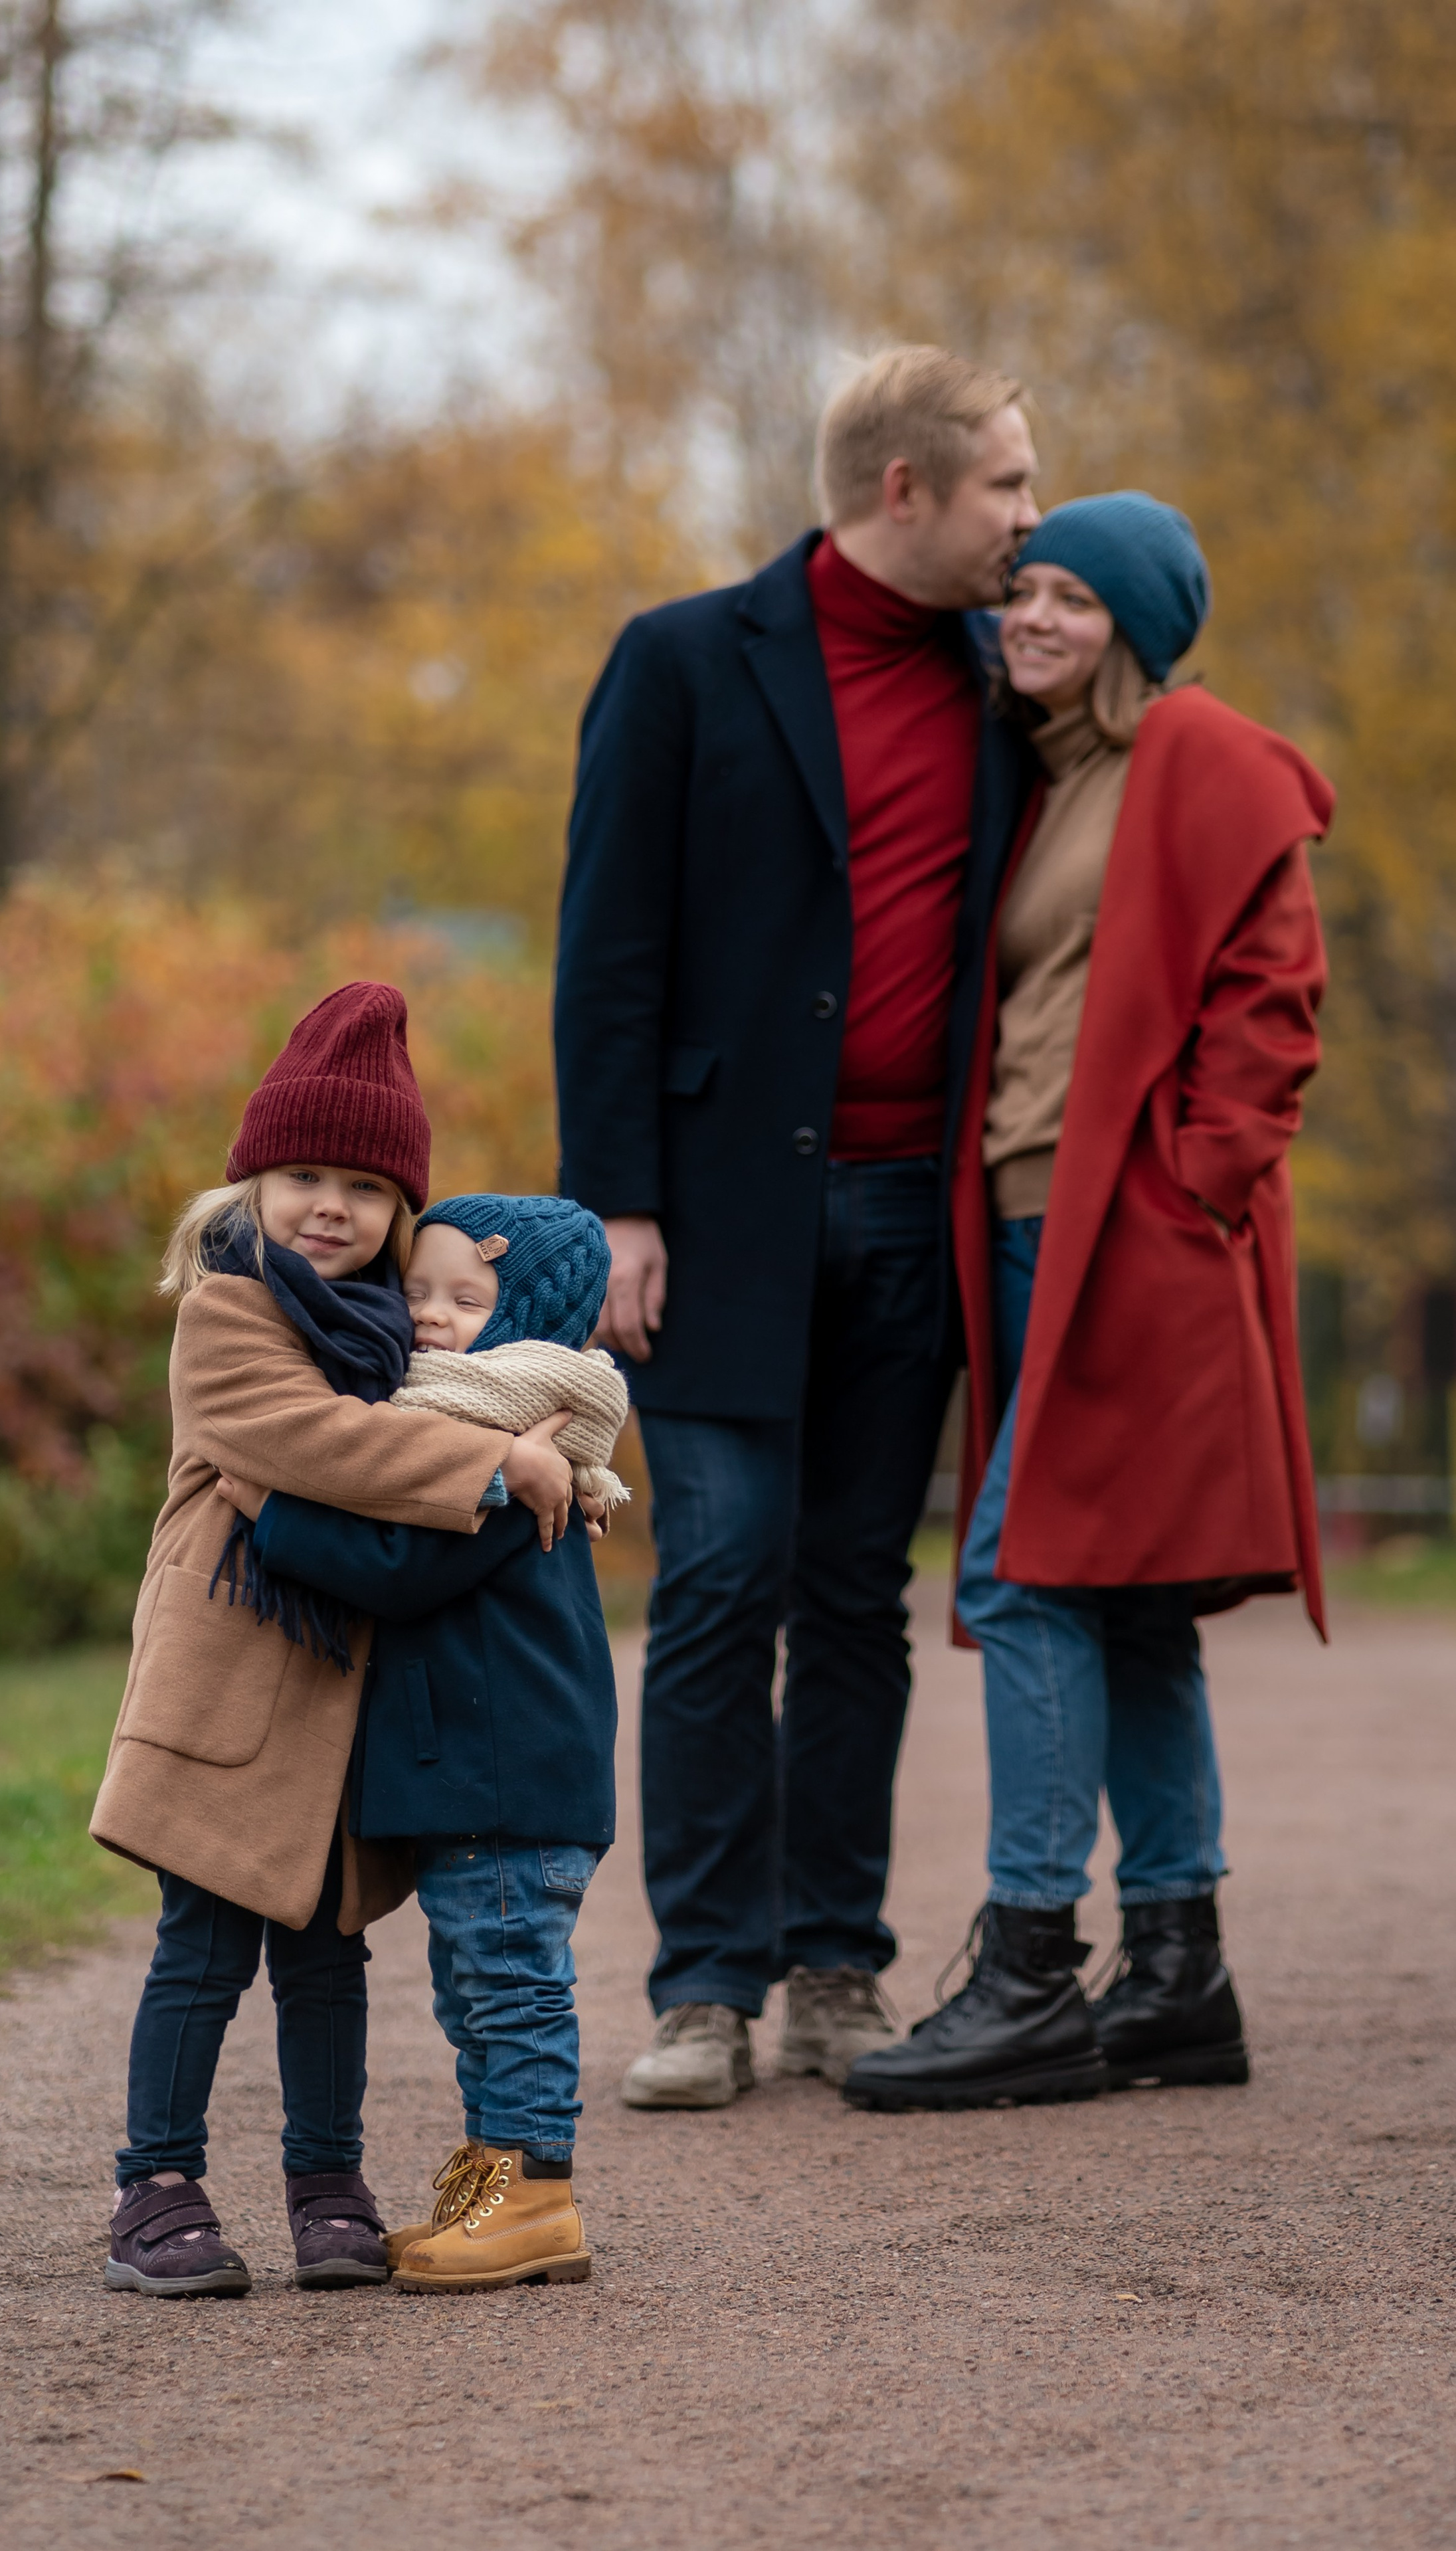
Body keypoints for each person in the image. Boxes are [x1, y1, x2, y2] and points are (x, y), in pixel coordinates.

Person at [554, 344, 1041, 2106]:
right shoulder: (685, 661)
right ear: (903, 490)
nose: (1029, 517)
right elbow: (606, 955)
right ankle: (703, 1985)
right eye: (1006, 484)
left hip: (923, 1219)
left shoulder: (1011, 675)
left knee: (852, 1596)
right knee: (718, 1581)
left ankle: (836, 1968)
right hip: (717, 1221)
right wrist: (617, 1205)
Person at [844, 494, 1330, 2115]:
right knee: (1117, 1592)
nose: (1029, 618)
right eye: (1020, 591)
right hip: (1024, 1225)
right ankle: (1180, 1970)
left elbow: (1271, 1001)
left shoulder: (1203, 760)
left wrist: (1194, 1182)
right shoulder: (1051, 778)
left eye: (1065, 597)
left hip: (1123, 1233)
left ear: (1132, 622)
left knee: (1025, 1571)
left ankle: (1031, 1967)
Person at [91, 985, 574, 2296]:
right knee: (201, 1949)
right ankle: (157, 2184)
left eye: (364, 1185)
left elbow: (395, 1446)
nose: (330, 1206)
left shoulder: (395, 1347)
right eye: (303, 1173)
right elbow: (322, 1450)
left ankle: (324, 2177)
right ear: (252, 1182)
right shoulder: (232, 1318)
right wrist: (494, 1463)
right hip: (231, 1693)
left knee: (325, 1960)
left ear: (398, 1210)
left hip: (337, 1704)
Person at [213, 1193, 624, 2292]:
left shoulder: (507, 1430)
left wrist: (272, 1509)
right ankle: (492, 2180)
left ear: (526, 1315)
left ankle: (536, 2194)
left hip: (510, 1777)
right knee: (475, 1990)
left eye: (467, 1298)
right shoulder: (454, 1420)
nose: (432, 1317)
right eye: (419, 1291)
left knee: (513, 1986)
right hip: (478, 1775)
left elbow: (397, 1571)